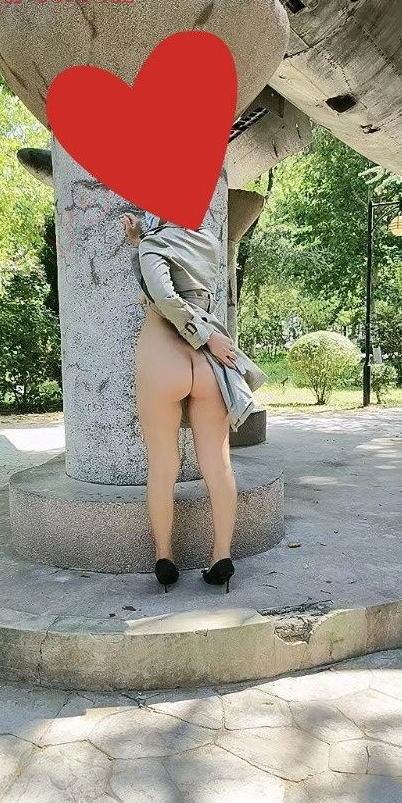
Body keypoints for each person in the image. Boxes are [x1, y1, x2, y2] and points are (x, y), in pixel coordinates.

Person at [121, 209, 266, 595]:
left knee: (163, 466)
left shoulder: (153, 243)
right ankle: (221, 557)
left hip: (162, 356)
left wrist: (141, 244)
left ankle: (164, 558)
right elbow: (180, 279)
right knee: (218, 466)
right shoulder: (209, 241)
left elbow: (163, 296)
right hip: (208, 365)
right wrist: (140, 245)